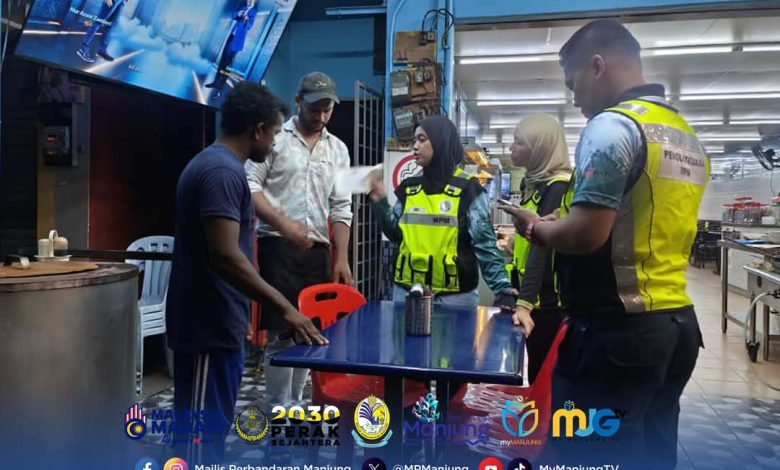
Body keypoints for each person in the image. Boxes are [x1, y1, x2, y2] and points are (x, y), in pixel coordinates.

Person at [501, 19, 708, 469]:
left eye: (573, 82)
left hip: (617, 334)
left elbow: (587, 234)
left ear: (598, 66)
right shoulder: (682, 134)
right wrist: (564, 218)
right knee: (651, 453)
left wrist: (536, 228)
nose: (573, 97)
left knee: (589, 452)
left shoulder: (612, 126)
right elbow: (636, 216)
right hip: (676, 328)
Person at [166, 82, 328, 465]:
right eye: (274, 133)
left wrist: (241, 317)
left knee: (211, 430)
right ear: (257, 130)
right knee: (199, 441)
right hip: (206, 327)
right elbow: (225, 256)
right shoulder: (220, 172)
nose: (274, 142)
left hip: (219, 322)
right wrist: (286, 308)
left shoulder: (222, 167)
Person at [245, 71, 353, 416]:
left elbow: (341, 206)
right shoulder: (276, 139)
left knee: (311, 334)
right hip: (278, 249)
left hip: (317, 254)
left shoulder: (338, 150)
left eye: (327, 109)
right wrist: (283, 224)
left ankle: (296, 406)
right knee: (281, 334)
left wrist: (342, 258)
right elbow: (250, 186)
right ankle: (277, 408)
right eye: (314, 108)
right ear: (297, 102)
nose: (321, 116)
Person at [369, 116, 517, 311]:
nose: (415, 146)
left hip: (455, 299)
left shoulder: (468, 190)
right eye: (414, 140)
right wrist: (379, 201)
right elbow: (396, 234)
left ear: (441, 142)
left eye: (422, 139)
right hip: (407, 294)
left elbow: (485, 244)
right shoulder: (409, 188)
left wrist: (503, 289)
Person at [505, 114, 571, 384]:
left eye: (519, 142)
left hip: (546, 304)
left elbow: (541, 249)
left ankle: (551, 415)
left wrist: (525, 304)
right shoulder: (534, 184)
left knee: (544, 379)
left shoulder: (558, 187)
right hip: (533, 298)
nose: (512, 148)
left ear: (540, 148)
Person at [205, 0, 258, 94]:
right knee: (222, 60)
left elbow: (249, 26)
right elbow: (234, 16)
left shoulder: (253, 11)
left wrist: (246, 20)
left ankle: (220, 86)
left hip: (237, 41)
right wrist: (238, 14)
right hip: (231, 37)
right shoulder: (243, 7)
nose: (248, 1)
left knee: (227, 64)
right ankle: (216, 82)